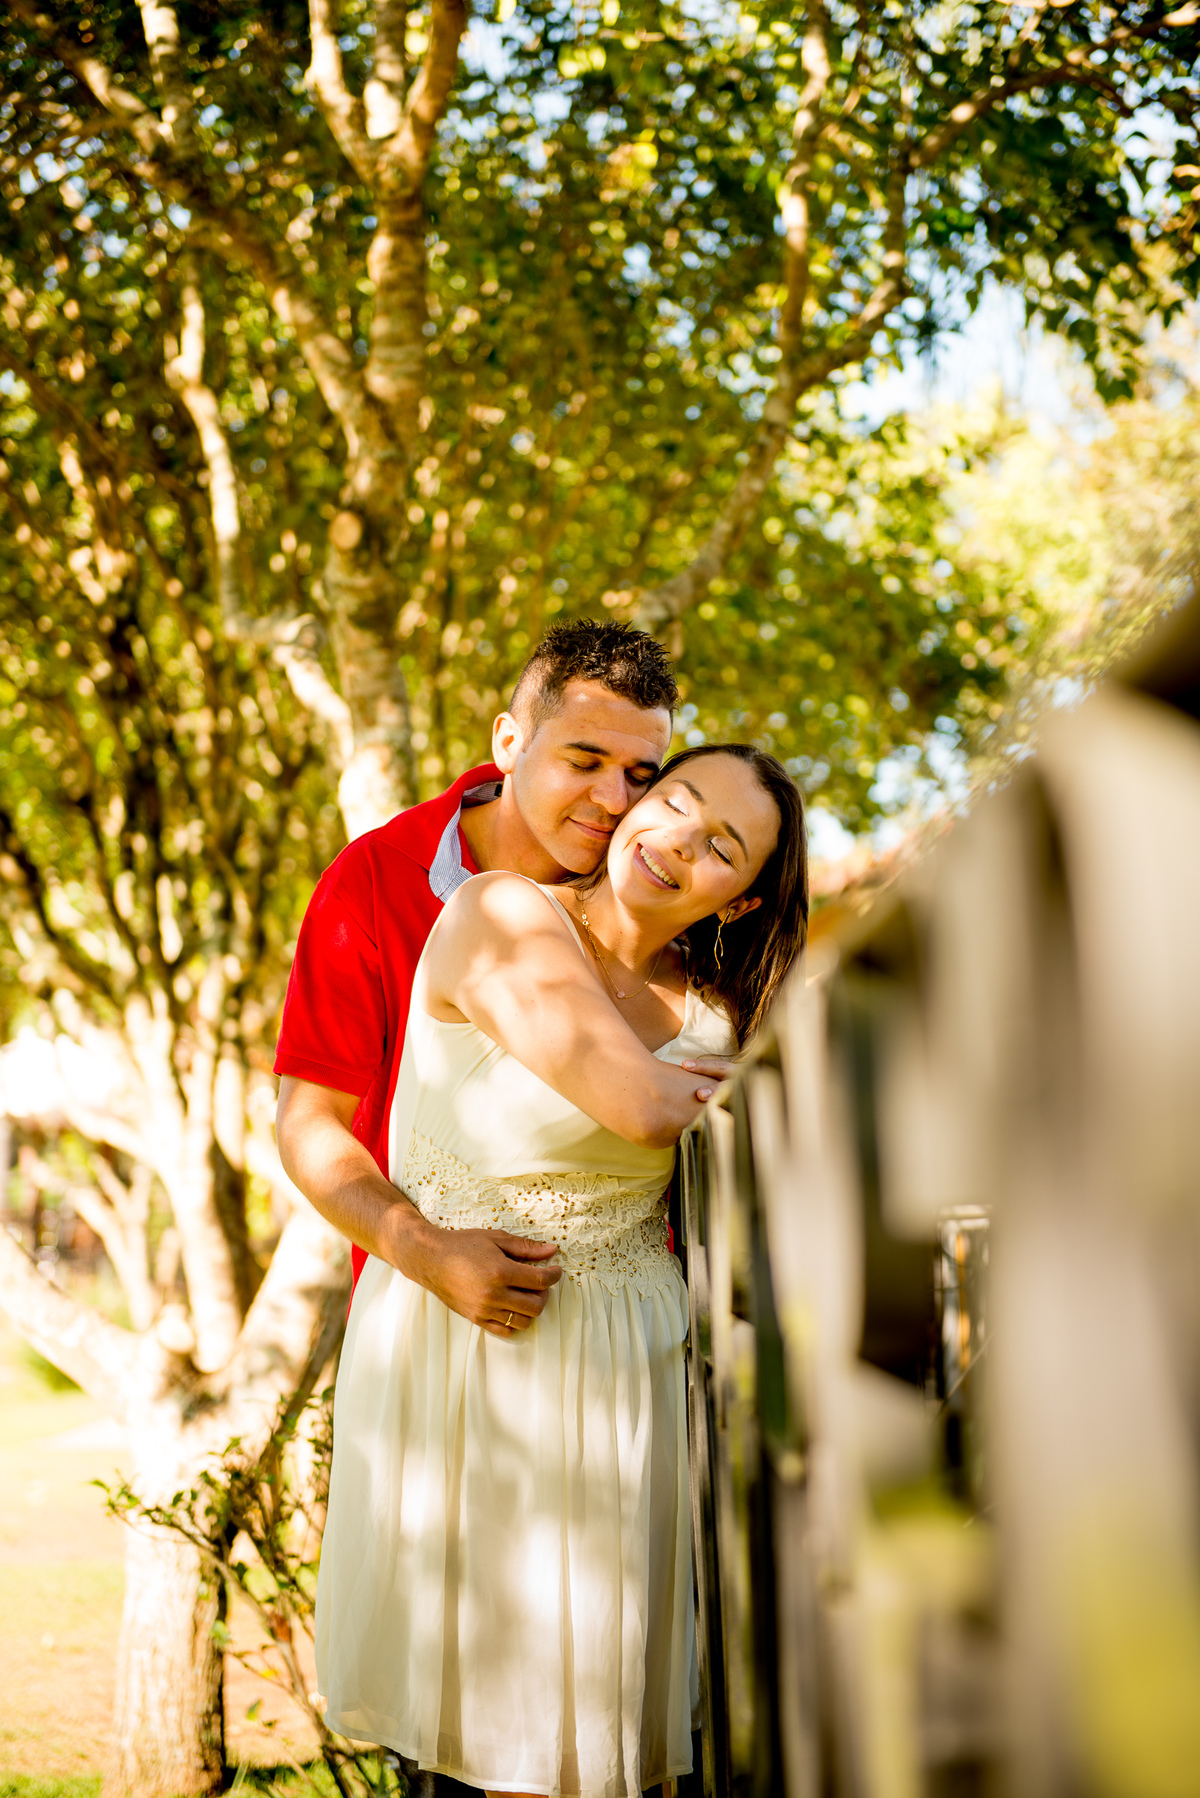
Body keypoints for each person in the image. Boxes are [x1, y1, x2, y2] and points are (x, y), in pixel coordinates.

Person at [313, 743, 809, 1798]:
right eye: (675, 799)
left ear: (744, 897)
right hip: (479, 1354)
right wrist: (757, 1094)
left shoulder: (718, 1009)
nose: (679, 838)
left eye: (722, 845)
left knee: (605, 1753)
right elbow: (638, 1106)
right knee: (503, 1745)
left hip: (632, 1371)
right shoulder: (503, 913)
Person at [275, 621, 727, 1324]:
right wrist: (426, 1252)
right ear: (509, 743)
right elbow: (309, 1123)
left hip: (634, 1329)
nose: (613, 801)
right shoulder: (372, 879)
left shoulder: (669, 902)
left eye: (640, 775)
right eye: (584, 761)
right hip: (433, 1319)